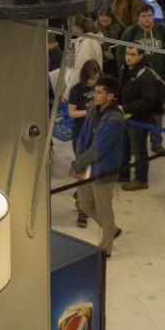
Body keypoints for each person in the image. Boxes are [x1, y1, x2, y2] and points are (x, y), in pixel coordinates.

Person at [71, 74, 125, 256]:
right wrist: (79, 162)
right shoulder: (93, 110)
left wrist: (78, 164)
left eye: (100, 92)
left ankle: (105, 248)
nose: (95, 95)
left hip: (104, 171)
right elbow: (83, 138)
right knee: (84, 204)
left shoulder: (115, 120)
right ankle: (112, 230)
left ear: (111, 96)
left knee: (104, 209)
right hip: (86, 166)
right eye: (95, 91)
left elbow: (99, 149)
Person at [118, 7, 165, 153]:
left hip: (158, 80)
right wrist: (124, 74)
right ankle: (131, 144)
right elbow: (120, 54)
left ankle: (157, 143)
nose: (147, 19)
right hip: (136, 80)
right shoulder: (130, 33)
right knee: (136, 112)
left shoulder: (163, 32)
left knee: (157, 113)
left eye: (150, 15)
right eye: (143, 16)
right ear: (138, 17)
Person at [119, 47, 162, 191]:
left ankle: (141, 179)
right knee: (124, 145)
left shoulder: (146, 76)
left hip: (140, 119)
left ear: (141, 56)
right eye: (127, 54)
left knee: (139, 150)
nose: (128, 57)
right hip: (126, 116)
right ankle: (123, 173)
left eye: (132, 55)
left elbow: (148, 100)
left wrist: (127, 107)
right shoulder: (125, 69)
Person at [68, 60, 101, 227]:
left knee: (92, 170)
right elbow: (72, 113)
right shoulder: (76, 90)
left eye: (96, 78)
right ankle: (83, 208)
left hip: (96, 132)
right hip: (80, 135)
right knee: (82, 171)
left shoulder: (99, 87)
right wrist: (88, 111)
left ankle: (84, 198)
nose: (94, 82)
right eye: (91, 79)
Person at [64, 15, 103, 91]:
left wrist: (67, 93)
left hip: (83, 87)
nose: (69, 28)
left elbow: (80, 68)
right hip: (84, 85)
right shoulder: (85, 40)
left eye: (70, 26)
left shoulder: (87, 43)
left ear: (77, 26)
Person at [96, 7, 123, 79]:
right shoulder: (95, 27)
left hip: (115, 61)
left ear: (112, 19)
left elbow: (123, 45)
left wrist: (114, 54)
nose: (103, 23)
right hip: (100, 59)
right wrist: (103, 51)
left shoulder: (120, 27)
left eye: (106, 21)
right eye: (101, 21)